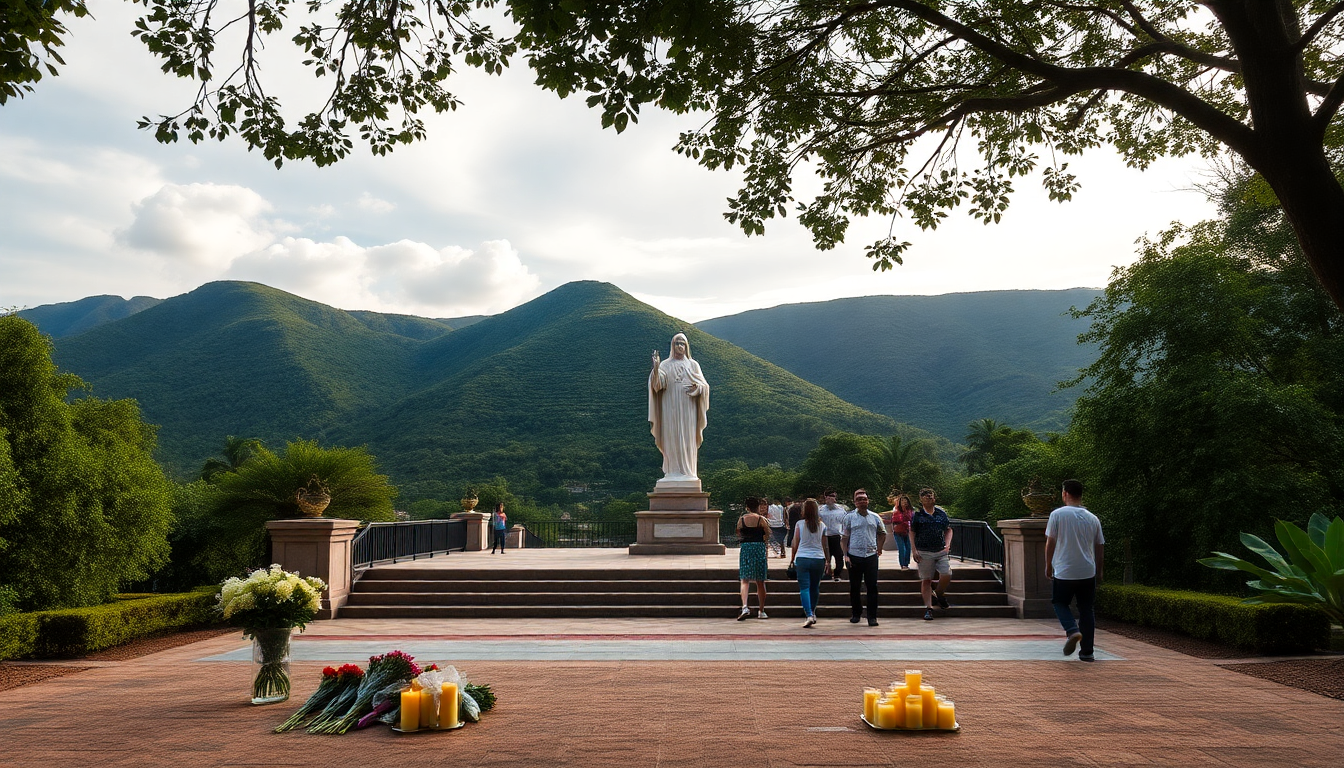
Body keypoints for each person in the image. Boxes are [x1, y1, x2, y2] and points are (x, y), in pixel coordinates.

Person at [1046, 479, 1105, 662]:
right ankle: (1087, 652)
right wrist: (1099, 570)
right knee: (1087, 609)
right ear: (1081, 495)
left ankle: (1072, 631)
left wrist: (1048, 565)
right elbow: (1100, 546)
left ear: (1065, 494)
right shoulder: (1093, 518)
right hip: (1087, 571)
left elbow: (1050, 542)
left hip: (1065, 570)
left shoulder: (1057, 515)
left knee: (1059, 602)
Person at [648, 333, 710, 485]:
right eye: (677, 343)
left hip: (688, 407)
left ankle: (688, 471)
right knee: (671, 436)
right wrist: (656, 369)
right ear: (672, 346)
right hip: (669, 406)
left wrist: (697, 388)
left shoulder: (693, 365)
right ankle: (672, 471)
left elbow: (705, 386)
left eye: (682, 343)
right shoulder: (665, 365)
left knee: (687, 437)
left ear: (686, 346)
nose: (680, 346)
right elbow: (657, 386)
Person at [841, 488, 886, 626]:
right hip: (854, 555)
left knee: (872, 586)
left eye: (864, 499)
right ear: (854, 502)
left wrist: (879, 548)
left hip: (871, 555)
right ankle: (856, 613)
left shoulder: (875, 517)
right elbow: (844, 537)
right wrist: (845, 555)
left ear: (868, 501)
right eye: (859, 499)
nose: (862, 502)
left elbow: (882, 533)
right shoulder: (849, 517)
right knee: (854, 586)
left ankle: (872, 616)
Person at [911, 488, 953, 620]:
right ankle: (928, 608)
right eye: (925, 496)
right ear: (921, 499)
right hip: (924, 551)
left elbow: (948, 529)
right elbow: (912, 532)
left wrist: (947, 545)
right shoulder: (917, 515)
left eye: (931, 495)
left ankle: (939, 593)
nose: (929, 497)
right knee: (926, 579)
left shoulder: (941, 513)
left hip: (940, 550)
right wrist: (914, 550)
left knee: (947, 573)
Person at [789, 498, 831, 627]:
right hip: (818, 558)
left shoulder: (800, 524)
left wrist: (792, 558)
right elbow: (825, 546)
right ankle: (813, 611)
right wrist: (828, 561)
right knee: (815, 587)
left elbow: (795, 543)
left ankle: (809, 614)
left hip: (802, 558)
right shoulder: (822, 525)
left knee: (804, 588)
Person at [735, 496, 771, 620]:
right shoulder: (761, 519)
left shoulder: (742, 519)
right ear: (758, 507)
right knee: (760, 580)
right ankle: (761, 610)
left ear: (747, 507)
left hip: (746, 547)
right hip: (759, 547)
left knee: (744, 579)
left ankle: (745, 606)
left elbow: (738, 532)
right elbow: (767, 533)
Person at [819, 489, 848, 581]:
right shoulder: (820, 510)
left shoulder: (841, 510)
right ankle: (825, 573)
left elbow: (845, 523)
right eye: (828, 496)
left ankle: (837, 574)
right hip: (825, 537)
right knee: (824, 557)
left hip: (836, 536)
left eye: (832, 496)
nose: (830, 498)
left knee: (839, 557)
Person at [888, 493, 915, 569]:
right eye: (903, 501)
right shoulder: (896, 510)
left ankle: (906, 564)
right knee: (902, 548)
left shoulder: (911, 511)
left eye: (906, 501)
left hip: (908, 531)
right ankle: (902, 564)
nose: (904, 503)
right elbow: (893, 521)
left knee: (908, 548)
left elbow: (912, 520)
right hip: (898, 531)